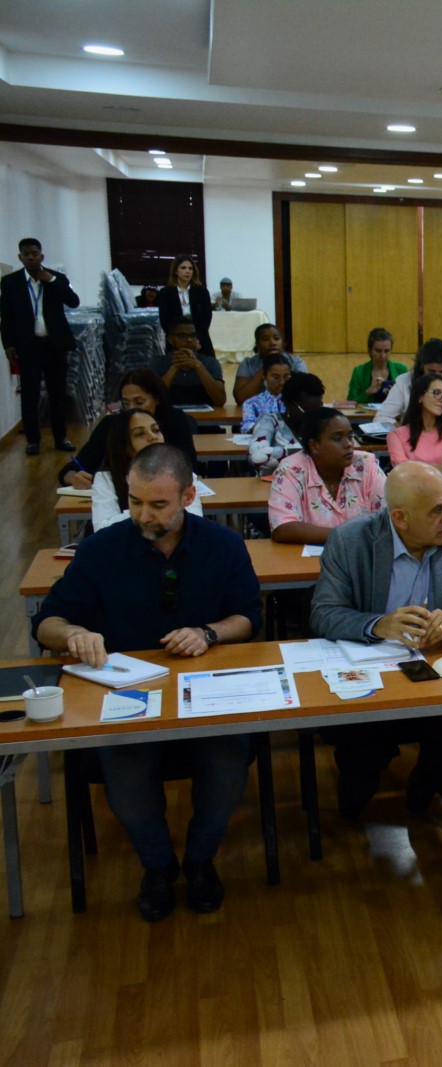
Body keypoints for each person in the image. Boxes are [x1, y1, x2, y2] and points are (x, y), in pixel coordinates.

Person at [34, 444, 261, 920]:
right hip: (127, 693)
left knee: (228, 760)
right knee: (125, 767)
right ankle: (158, 866)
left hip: (207, 689)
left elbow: (248, 618)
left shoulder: (223, 546)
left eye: (158, 505)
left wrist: (209, 633)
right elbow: (47, 622)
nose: (143, 515)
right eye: (135, 502)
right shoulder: (100, 549)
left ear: (188, 496)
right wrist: (75, 633)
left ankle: (200, 861)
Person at [310, 463, 442, 818]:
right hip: (371, 672)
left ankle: (426, 785)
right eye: (437, 510)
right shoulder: (351, 540)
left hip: (438, 670)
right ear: (399, 517)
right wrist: (378, 625)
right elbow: (323, 614)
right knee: (362, 744)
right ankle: (359, 787)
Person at [1, 237, 80, 454]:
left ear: (41, 256)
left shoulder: (57, 279)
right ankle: (33, 440)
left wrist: (51, 280)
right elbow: (5, 317)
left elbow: (74, 301)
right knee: (30, 395)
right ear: (20, 257)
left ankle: (61, 438)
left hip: (54, 346)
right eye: (26, 254)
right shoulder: (10, 282)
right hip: (28, 347)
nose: (31, 257)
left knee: (58, 394)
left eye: (34, 253)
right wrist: (8, 344)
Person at [268, 407, 387, 544]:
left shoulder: (365, 464)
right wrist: (348, 537)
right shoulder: (291, 470)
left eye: (350, 436)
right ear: (314, 446)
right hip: (306, 562)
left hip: (362, 558)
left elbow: (389, 516)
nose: (349, 444)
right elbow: (283, 528)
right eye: (338, 438)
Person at [59, 369, 196, 488]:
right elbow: (71, 469)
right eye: (126, 403)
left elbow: (190, 466)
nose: (132, 408)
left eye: (139, 402)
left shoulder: (174, 420)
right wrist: (74, 477)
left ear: (157, 399)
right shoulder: (111, 424)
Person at [91, 409, 206, 531]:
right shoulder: (106, 478)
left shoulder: (183, 473)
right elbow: (102, 529)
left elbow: (193, 522)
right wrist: (157, 511)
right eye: (140, 434)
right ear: (124, 446)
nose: (153, 437)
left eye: (156, 430)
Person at [375, 338, 442, 430]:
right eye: (431, 371)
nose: (437, 376)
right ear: (421, 366)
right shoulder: (404, 381)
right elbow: (381, 417)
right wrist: (403, 432)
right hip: (411, 440)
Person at [248, 371, 325, 476]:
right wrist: (306, 452)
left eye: (318, 409)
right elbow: (257, 456)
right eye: (307, 410)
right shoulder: (269, 421)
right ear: (289, 404)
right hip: (275, 485)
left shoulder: (325, 422)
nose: (313, 416)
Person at [148, 316, 226, 408]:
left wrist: (198, 366)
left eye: (192, 336)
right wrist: (174, 367)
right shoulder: (158, 363)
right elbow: (153, 399)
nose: (189, 340)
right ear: (170, 339)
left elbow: (220, 400)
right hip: (169, 419)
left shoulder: (210, 362)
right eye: (182, 336)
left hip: (205, 419)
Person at [156, 256, 214, 366]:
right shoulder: (165, 293)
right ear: (176, 271)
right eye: (183, 268)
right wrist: (177, 340)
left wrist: (197, 339)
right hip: (175, 340)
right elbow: (164, 320)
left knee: (206, 367)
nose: (187, 271)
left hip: (199, 338)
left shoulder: (201, 291)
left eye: (190, 268)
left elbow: (207, 317)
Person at [231, 323, 309, 405]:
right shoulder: (247, 364)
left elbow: (304, 394)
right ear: (257, 344)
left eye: (276, 338)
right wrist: (267, 367)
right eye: (265, 339)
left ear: (283, 342)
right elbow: (240, 399)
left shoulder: (296, 363)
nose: (272, 343)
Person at [346, 327, 407, 404]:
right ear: (370, 350)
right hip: (368, 415)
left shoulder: (401, 370)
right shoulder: (359, 372)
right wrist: (368, 392)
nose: (383, 356)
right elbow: (350, 403)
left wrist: (398, 395)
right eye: (378, 351)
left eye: (387, 351)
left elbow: (411, 399)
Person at [239, 351, 290, 432]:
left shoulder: (296, 402)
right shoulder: (251, 403)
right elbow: (247, 426)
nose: (282, 382)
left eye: (286, 377)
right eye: (276, 377)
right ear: (264, 375)